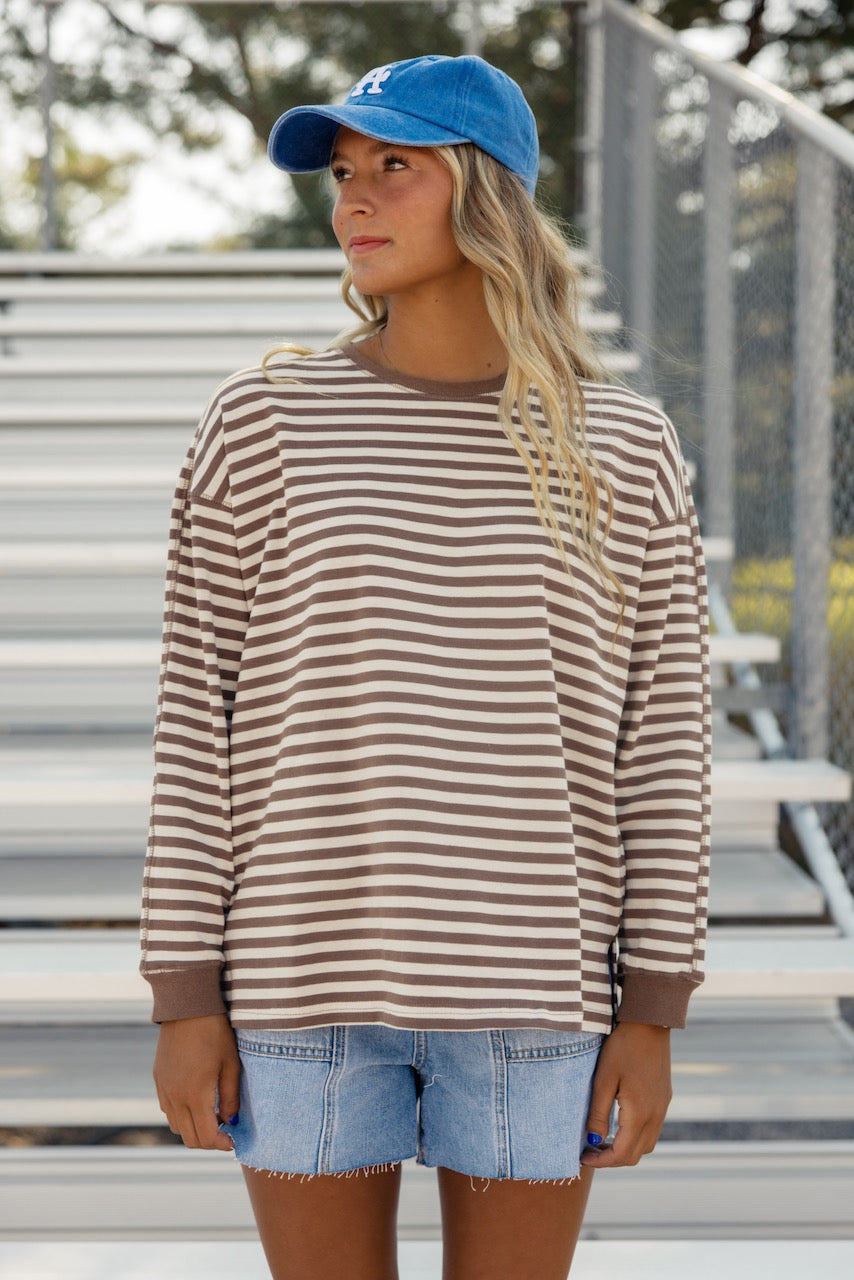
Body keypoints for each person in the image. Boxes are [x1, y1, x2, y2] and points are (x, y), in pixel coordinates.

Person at [141, 54, 710, 1280]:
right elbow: (199, 725)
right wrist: (184, 993)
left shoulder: (625, 446)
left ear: (485, 188)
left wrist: (652, 1010)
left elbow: (662, 752)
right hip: (301, 990)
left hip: (533, 996)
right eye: (343, 171)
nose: (353, 196)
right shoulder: (263, 424)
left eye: (393, 165)